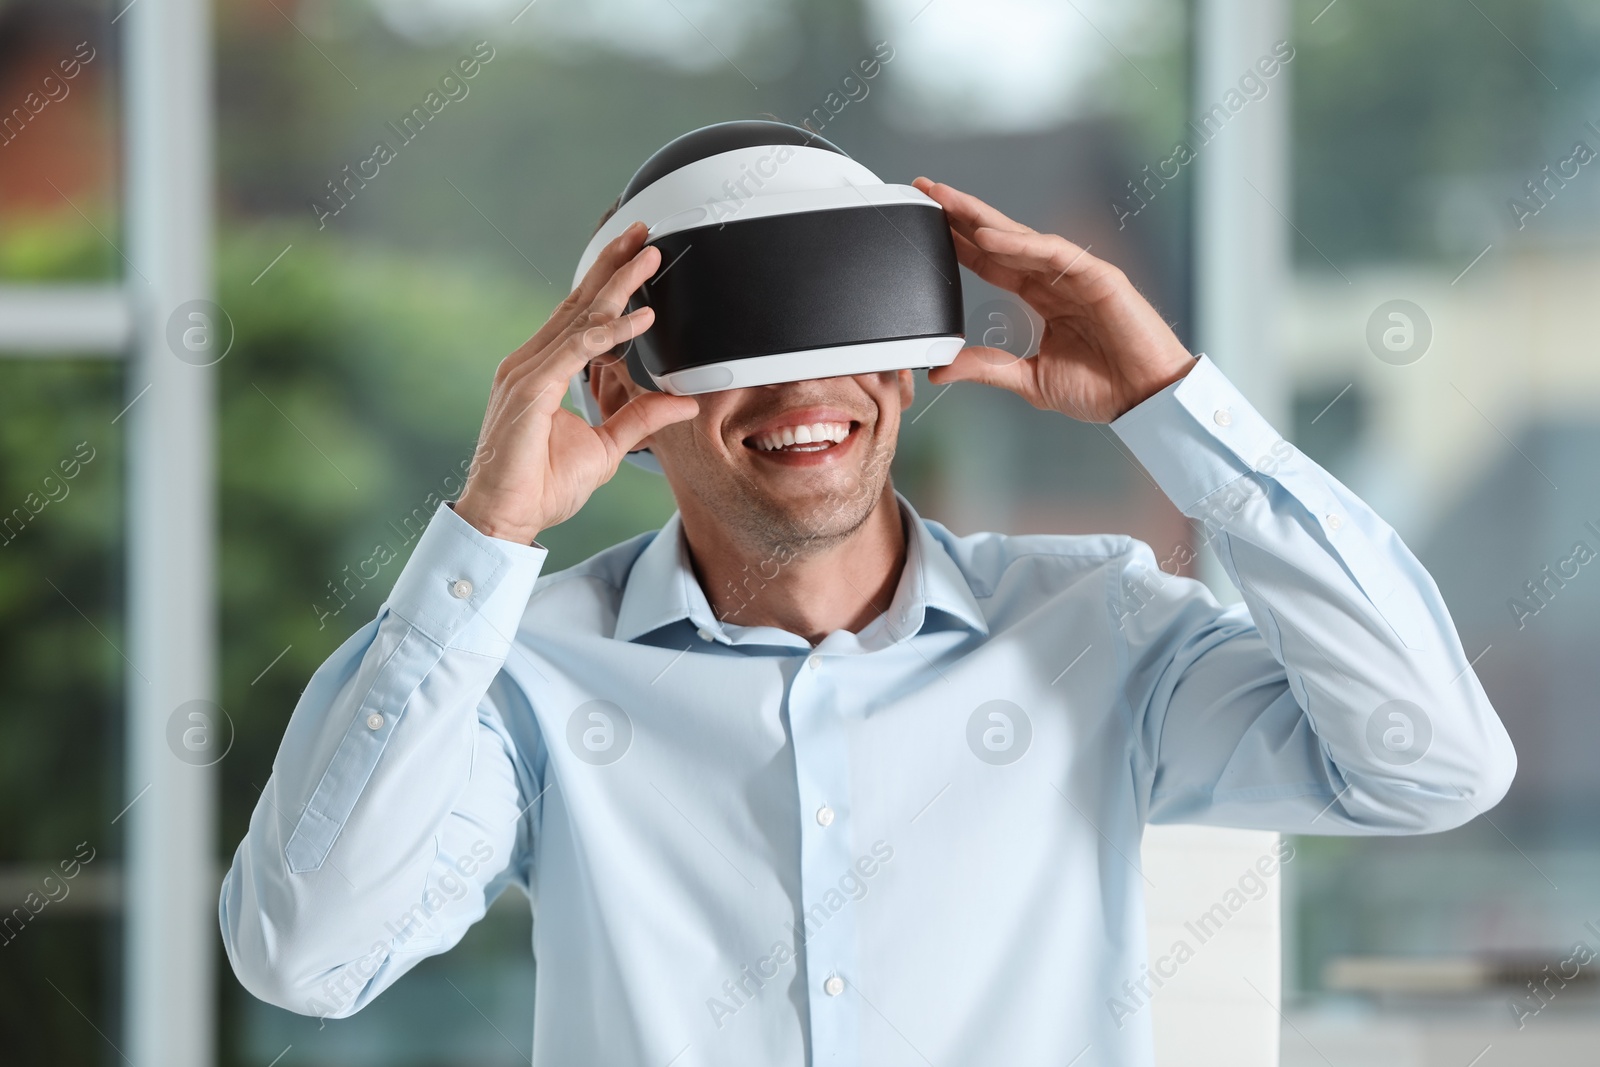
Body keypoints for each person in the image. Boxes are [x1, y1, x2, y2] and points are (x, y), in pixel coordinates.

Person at [220, 171, 1516, 1065]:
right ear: (615, 381)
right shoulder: (531, 679)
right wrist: (486, 541)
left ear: (904, 361)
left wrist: (1172, 405)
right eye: (743, 340)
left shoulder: (1095, 627)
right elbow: (305, 956)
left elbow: (1434, 769)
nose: (807, 387)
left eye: (845, 327)